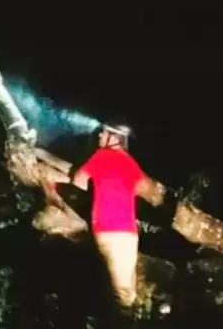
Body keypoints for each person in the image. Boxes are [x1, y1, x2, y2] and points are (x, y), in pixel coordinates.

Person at [67, 120, 160, 322]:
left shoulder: (101, 156)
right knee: (127, 290)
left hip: (106, 231)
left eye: (104, 133)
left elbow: (78, 181)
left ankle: (126, 320)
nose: (100, 136)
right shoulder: (130, 162)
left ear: (114, 138)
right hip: (127, 233)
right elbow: (148, 188)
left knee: (123, 293)